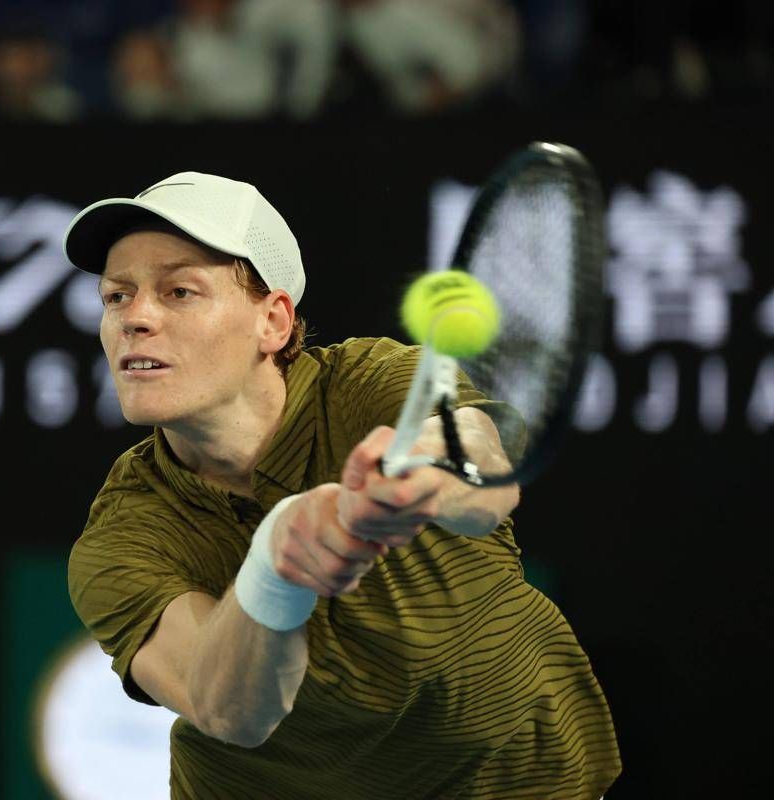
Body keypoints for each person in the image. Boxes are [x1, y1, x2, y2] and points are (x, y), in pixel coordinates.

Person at [63, 171, 621, 798]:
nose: (135, 318)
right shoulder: (123, 534)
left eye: (180, 291)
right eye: (117, 296)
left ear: (273, 322)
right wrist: (276, 567)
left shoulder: (373, 380)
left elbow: (484, 474)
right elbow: (227, 709)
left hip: (522, 781)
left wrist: (416, 476)